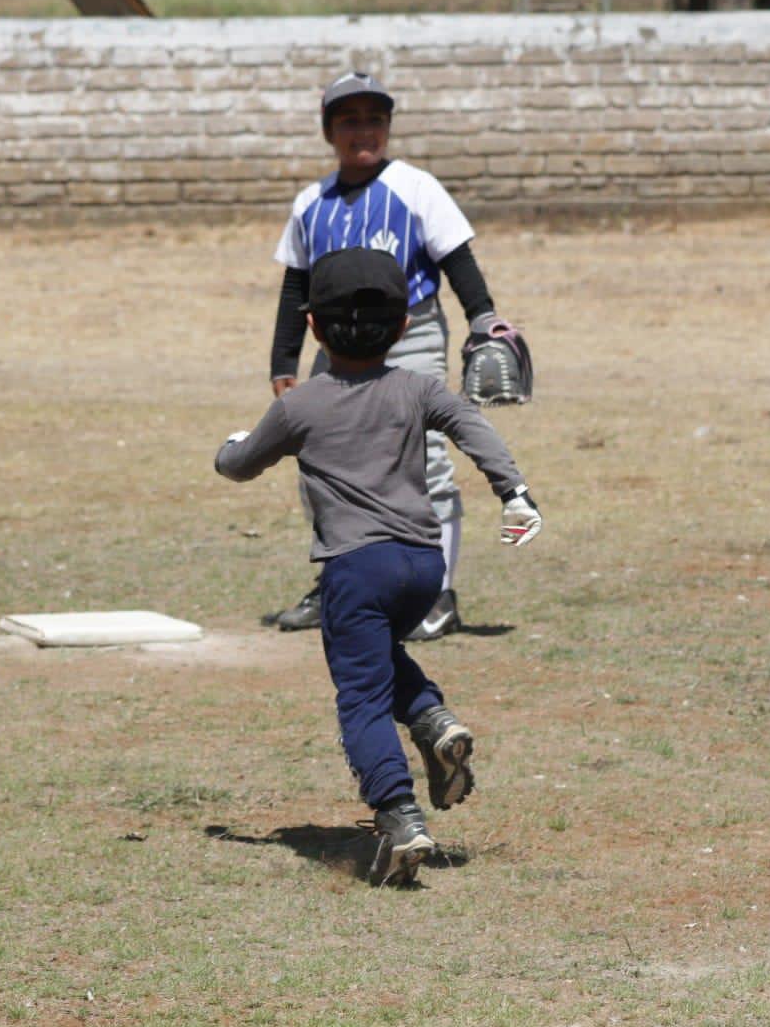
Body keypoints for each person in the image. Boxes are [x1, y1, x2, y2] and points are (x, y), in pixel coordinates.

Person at [216, 248, 542, 887]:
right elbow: (474, 429)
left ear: (313, 328)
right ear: (401, 328)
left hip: (353, 570)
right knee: (378, 656)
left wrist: (226, 447)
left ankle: (398, 816)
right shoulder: (419, 388)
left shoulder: (300, 406)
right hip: (424, 568)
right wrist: (516, 494)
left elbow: (240, 464)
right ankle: (432, 720)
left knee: (360, 696)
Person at [266, 70, 512, 641]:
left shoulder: (415, 187)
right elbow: (294, 287)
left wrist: (483, 319)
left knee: (424, 460)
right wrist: (284, 362)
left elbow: (457, 258)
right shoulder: (311, 203)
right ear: (329, 132)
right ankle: (337, 583)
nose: (364, 130)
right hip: (334, 347)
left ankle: (438, 597)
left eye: (375, 118)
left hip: (413, 335)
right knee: (319, 464)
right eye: (349, 120)